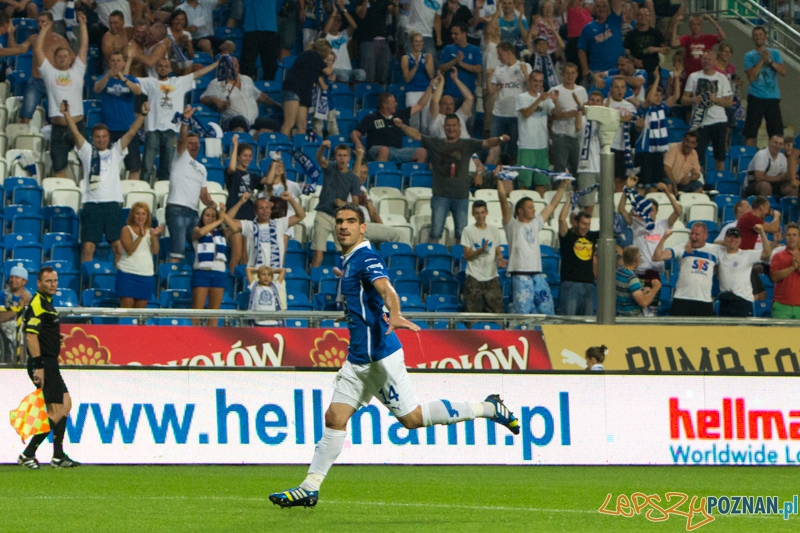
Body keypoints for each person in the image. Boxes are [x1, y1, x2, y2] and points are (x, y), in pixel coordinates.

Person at [269, 203, 520, 509]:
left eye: (351, 221)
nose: (343, 226)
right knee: (334, 417)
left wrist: (396, 313)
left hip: (380, 359)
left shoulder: (366, 257)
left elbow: (386, 289)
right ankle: (309, 487)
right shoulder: (350, 259)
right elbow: (368, 299)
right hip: (358, 359)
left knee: (412, 419)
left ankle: (488, 408)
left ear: (363, 228)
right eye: (339, 221)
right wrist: (351, 314)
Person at [393, 117, 506, 244]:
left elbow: (487, 142)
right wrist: (402, 126)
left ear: (459, 127)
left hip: (461, 196)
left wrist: (500, 139)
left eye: (454, 125)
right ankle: (431, 255)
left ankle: (458, 257)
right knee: (436, 232)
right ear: (444, 127)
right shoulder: (436, 142)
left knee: (461, 234)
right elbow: (418, 135)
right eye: (448, 125)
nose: (451, 128)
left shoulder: (467, 144)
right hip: (440, 195)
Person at [63, 100, 148, 264]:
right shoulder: (87, 151)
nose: (101, 140)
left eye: (104, 136)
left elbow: (131, 132)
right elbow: (75, 133)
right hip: (92, 204)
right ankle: (85, 278)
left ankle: (116, 278)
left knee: (118, 247)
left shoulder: (116, 151)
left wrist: (143, 115)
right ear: (93, 138)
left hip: (112, 204)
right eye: (97, 137)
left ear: (109, 138)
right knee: (88, 247)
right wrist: (67, 115)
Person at [18, 267, 79, 469]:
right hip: (43, 363)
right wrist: (39, 366)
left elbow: (38, 330)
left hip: (50, 362)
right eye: (48, 281)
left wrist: (53, 337)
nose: (53, 284)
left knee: (66, 404)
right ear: (39, 283)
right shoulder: (38, 303)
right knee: (56, 410)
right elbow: (30, 335)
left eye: (55, 281)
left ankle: (58, 455)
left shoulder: (47, 303)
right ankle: (28, 453)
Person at [137, 57, 219, 184]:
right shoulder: (150, 82)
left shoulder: (179, 82)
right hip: (153, 129)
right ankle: (143, 191)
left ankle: (164, 192)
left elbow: (199, 73)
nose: (163, 68)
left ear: (170, 69)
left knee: (167, 169)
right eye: (160, 66)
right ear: (156, 68)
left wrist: (217, 63)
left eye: (166, 66)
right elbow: (130, 80)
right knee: (146, 168)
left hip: (172, 130)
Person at [498, 178, 569, 315]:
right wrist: (500, 181)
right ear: (520, 210)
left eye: (533, 207)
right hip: (520, 275)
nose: (534, 210)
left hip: (537, 275)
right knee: (521, 314)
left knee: (548, 312)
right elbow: (503, 202)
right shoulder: (512, 225)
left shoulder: (535, 224)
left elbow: (551, 206)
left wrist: (563, 185)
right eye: (530, 207)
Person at [35, 12, 87, 178]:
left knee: (88, 166)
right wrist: (45, 29)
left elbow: (84, 47)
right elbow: (37, 50)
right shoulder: (49, 73)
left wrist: (83, 25)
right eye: (59, 56)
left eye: (65, 55)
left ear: (70, 58)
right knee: (59, 168)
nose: (63, 58)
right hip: (58, 128)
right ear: (55, 59)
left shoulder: (77, 71)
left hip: (78, 125)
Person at [165, 105, 217, 263]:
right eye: (191, 143)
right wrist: (185, 121)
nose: (194, 145)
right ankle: (170, 276)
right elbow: (181, 139)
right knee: (178, 250)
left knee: (200, 248)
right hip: (177, 209)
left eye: (196, 142)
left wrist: (213, 205)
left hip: (194, 213)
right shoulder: (180, 157)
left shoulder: (202, 168)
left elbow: (204, 195)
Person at [618, 176, 682, 288]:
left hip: (657, 271)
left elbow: (678, 212)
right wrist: (626, 188)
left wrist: (666, 192)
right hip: (640, 270)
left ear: (657, 211)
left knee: (654, 299)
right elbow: (621, 210)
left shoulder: (662, 225)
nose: (649, 213)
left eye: (652, 210)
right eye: (647, 210)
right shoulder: (636, 224)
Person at [310, 141, 363, 268]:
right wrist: (323, 147)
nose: (342, 158)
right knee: (318, 255)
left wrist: (343, 203)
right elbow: (319, 158)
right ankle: (313, 277)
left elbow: (356, 203)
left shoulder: (353, 178)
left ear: (349, 158)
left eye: (344, 156)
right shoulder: (330, 168)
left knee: (345, 253)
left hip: (340, 218)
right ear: (335, 157)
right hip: (323, 214)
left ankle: (344, 278)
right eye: (339, 155)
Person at [94, 51, 143, 181]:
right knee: (106, 165)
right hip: (108, 130)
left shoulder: (131, 79)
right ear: (109, 63)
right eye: (113, 60)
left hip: (128, 129)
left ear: (123, 63)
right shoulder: (103, 78)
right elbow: (97, 89)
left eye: (118, 60)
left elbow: (138, 91)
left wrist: (123, 79)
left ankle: (132, 191)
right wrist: (107, 76)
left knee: (134, 167)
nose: (116, 63)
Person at [651, 222, 718, 317]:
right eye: (692, 233)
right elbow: (656, 257)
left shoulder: (714, 250)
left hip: (704, 301)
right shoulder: (681, 248)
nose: (693, 237)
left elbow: (729, 245)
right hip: (682, 298)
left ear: (705, 236)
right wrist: (663, 239)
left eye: (697, 234)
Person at [681, 50, 732, 172]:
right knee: (697, 155)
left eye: (709, 59)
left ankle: (719, 178)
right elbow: (683, 100)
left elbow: (729, 102)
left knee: (720, 156)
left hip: (718, 121)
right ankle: (697, 178)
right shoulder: (693, 76)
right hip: (700, 122)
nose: (707, 62)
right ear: (701, 60)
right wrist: (694, 100)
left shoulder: (722, 78)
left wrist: (716, 100)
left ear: (714, 61)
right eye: (704, 59)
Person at [351, 90, 432, 164]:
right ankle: (380, 173)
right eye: (393, 102)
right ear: (385, 105)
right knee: (384, 150)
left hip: (397, 150)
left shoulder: (399, 114)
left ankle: (416, 174)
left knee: (422, 152)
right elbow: (355, 133)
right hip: (377, 150)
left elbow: (419, 105)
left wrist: (430, 87)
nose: (396, 104)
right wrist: (358, 143)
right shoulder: (371, 118)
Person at [633, 69, 680, 192]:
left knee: (655, 184)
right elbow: (649, 100)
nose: (658, 97)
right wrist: (657, 79)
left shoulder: (662, 108)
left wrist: (676, 77)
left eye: (660, 95)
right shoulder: (644, 108)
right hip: (645, 151)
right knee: (642, 184)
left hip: (658, 152)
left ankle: (652, 202)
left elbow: (676, 97)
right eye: (655, 94)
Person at [227, 196, 306, 268]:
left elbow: (301, 215)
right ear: (255, 212)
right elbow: (228, 220)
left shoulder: (279, 224)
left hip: (275, 272)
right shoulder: (249, 225)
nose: (265, 211)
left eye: (267, 207)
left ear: (270, 210)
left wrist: (291, 199)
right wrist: (240, 202)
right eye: (261, 208)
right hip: (255, 273)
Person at [191, 204, 238, 326]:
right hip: (202, 271)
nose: (210, 218)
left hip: (218, 272)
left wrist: (223, 214)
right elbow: (201, 232)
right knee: (197, 309)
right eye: (207, 215)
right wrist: (218, 220)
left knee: (214, 311)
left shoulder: (221, 233)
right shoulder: (196, 230)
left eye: (213, 216)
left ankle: (212, 334)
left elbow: (235, 228)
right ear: (202, 217)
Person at [200, 57, 278, 129]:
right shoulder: (216, 83)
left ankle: (255, 137)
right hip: (234, 119)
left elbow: (260, 96)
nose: (234, 67)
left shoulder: (247, 79)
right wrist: (215, 100)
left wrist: (276, 104)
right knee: (240, 122)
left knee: (270, 124)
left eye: (236, 65)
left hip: (254, 120)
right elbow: (203, 99)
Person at [350, 148, 405, 246]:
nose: (362, 176)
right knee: (400, 234)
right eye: (360, 172)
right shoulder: (348, 185)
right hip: (357, 224)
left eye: (365, 173)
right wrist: (359, 157)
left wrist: (383, 230)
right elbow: (354, 177)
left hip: (367, 226)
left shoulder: (363, 190)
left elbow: (373, 212)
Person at [20, 13, 67, 125]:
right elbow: (19, 50)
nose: (40, 24)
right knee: (25, 116)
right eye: (39, 21)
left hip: (53, 81)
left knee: (59, 117)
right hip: (35, 81)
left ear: (51, 23)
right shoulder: (33, 38)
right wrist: (11, 34)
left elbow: (71, 59)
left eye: (43, 21)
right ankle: (22, 135)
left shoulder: (60, 40)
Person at [280, 39, 335, 137]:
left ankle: (300, 145)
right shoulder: (312, 55)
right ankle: (281, 145)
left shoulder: (313, 59)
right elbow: (328, 72)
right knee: (289, 123)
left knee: (302, 126)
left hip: (305, 92)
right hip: (293, 89)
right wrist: (331, 63)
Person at [461, 200, 506, 313]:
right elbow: (467, 255)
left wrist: (500, 258)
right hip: (473, 276)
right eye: (477, 213)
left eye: (482, 212)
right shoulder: (467, 231)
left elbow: (497, 250)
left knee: (497, 314)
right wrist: (481, 250)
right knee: (473, 315)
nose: (480, 216)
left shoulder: (494, 230)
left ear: (486, 212)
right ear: (473, 214)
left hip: (492, 275)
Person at [743, 26, 785, 148]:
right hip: (756, 96)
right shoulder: (749, 56)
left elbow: (783, 71)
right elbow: (751, 77)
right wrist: (762, 60)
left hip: (773, 97)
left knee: (776, 133)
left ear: (765, 37)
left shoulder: (775, 53)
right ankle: (749, 156)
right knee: (751, 132)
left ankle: (774, 157)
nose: (758, 37)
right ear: (752, 38)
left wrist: (770, 61)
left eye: (760, 35)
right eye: (755, 35)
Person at [516, 70, 557, 194]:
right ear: (529, 81)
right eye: (535, 81)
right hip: (526, 146)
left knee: (541, 183)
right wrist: (539, 99)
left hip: (542, 145)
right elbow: (526, 113)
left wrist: (556, 101)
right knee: (524, 183)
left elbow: (555, 115)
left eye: (540, 81)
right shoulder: (522, 97)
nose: (538, 84)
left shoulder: (546, 99)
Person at [717, 226, 773, 317]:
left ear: (740, 240)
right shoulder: (718, 251)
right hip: (725, 301)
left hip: (743, 301)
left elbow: (767, 254)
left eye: (736, 237)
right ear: (725, 239)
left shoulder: (746, 255)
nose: (732, 240)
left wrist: (762, 233)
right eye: (730, 237)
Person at [117, 202, 164, 308]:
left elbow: (155, 251)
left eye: (143, 214)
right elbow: (130, 251)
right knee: (126, 313)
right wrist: (140, 237)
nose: (140, 217)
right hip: (127, 274)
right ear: (132, 215)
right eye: (137, 213)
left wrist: (154, 237)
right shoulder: (126, 230)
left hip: (145, 275)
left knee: (140, 314)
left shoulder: (150, 231)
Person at [558, 195, 597, 315]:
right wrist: (569, 200)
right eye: (584, 224)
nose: (586, 227)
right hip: (570, 285)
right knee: (569, 322)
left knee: (587, 323)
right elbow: (561, 219)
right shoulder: (568, 236)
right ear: (575, 222)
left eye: (588, 224)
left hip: (589, 285)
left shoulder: (591, 236)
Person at [550, 63, 587, 177]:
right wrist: (566, 114)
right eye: (567, 73)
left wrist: (579, 112)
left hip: (577, 137)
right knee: (560, 170)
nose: (570, 76)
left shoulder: (581, 90)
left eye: (572, 73)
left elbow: (585, 111)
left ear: (577, 74)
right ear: (562, 74)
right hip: (561, 135)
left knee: (577, 170)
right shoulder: (555, 90)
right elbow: (550, 116)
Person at [670, 14, 726, 82]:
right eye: (693, 24)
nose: (696, 27)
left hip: (705, 74)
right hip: (691, 74)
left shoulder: (707, 38)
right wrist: (675, 25)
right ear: (690, 26)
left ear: (702, 25)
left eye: (698, 24)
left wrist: (711, 20)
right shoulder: (687, 38)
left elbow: (723, 37)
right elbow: (674, 43)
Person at [438, 22, 482, 108]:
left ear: (464, 34)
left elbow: (478, 69)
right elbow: (441, 69)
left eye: (456, 34)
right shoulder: (448, 49)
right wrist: (454, 61)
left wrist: (462, 64)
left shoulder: (475, 50)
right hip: (450, 95)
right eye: (452, 33)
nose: (453, 36)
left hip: (468, 95)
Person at [577, 0, 624, 81]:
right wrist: (585, 69)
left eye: (604, 6)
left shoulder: (614, 19)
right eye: (598, 6)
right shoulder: (588, 28)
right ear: (594, 9)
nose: (601, 9)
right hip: (598, 71)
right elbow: (581, 50)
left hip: (618, 68)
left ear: (608, 8)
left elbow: (616, 2)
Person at [323, 0, 366, 83]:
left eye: (339, 20)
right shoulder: (326, 36)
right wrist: (333, 15)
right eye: (334, 20)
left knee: (361, 73)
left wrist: (344, 10)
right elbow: (325, 32)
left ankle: (352, 90)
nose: (336, 23)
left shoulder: (344, 34)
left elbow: (354, 26)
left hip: (348, 69)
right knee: (343, 75)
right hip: (334, 69)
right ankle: (344, 90)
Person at [402, 31, 435, 133]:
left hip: (426, 91)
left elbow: (431, 76)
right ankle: (414, 141)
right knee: (414, 121)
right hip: (412, 91)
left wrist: (427, 65)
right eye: (416, 41)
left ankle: (426, 141)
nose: (419, 44)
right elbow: (407, 78)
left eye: (421, 41)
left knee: (426, 123)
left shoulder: (428, 56)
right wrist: (415, 66)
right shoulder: (405, 58)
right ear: (411, 43)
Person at [355, 0, 394, 85]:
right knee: (369, 73)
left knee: (384, 72)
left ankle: (382, 91)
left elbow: (394, 12)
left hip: (383, 40)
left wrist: (395, 5)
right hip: (368, 40)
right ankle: (369, 91)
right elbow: (361, 15)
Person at [623, 6, 668, 79]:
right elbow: (626, 52)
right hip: (636, 70)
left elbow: (666, 50)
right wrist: (634, 60)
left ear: (649, 17)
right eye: (640, 15)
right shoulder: (630, 34)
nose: (643, 17)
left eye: (646, 15)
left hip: (653, 69)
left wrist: (655, 49)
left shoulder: (656, 33)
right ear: (636, 17)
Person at [616, 245, 661, 316]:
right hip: (633, 318)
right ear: (636, 259)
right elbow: (644, 303)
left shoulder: (619, 271)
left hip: (621, 315)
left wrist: (642, 293)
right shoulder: (631, 278)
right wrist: (655, 288)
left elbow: (628, 293)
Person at [239, 0, 278, 80]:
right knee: (246, 68)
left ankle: (267, 87)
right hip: (252, 30)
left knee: (270, 69)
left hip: (268, 30)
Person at [429, 70, 474, 139]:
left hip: (465, 144)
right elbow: (434, 101)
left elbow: (470, 98)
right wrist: (442, 81)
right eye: (445, 104)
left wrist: (455, 80)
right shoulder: (435, 119)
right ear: (439, 105)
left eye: (451, 104)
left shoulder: (459, 115)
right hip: (446, 145)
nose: (448, 106)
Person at [0, 266, 31, 364]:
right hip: (4, 330)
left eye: (17, 277)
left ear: (24, 281)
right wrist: (18, 309)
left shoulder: (30, 297)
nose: (13, 280)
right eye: (11, 277)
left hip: (24, 329)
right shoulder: (2, 296)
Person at [770, 222, 800, 318]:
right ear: (784, 237)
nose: (791, 237)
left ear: (799, 238)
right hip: (781, 306)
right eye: (788, 235)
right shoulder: (778, 256)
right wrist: (792, 267)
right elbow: (774, 277)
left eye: (794, 235)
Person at [663, 130, 702, 195]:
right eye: (687, 141)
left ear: (695, 145)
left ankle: (687, 201)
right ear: (683, 140)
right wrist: (674, 185)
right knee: (669, 185)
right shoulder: (673, 148)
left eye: (692, 143)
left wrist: (690, 178)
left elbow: (697, 173)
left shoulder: (694, 153)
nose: (689, 144)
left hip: (681, 183)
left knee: (698, 186)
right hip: (668, 180)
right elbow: (666, 168)